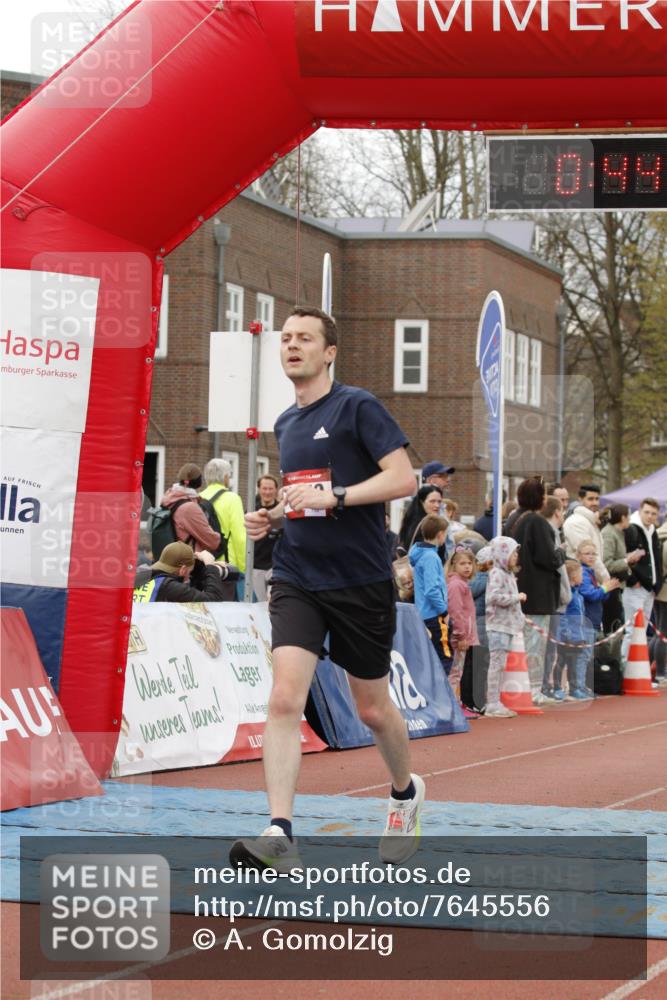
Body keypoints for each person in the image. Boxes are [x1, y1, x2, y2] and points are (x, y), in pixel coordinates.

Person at [230, 305, 421, 873]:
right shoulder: (285, 422)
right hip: (297, 576)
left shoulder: (357, 406)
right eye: (285, 339)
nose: (292, 346)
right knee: (285, 698)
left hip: (360, 579)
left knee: (373, 710)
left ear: (329, 351)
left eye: (304, 338)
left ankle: (405, 793)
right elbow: (302, 500)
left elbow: (403, 478)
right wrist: (273, 519)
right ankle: (280, 832)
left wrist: (335, 496)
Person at [507, 477, 564, 703]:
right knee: (534, 643)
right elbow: (547, 557)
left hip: (517, 588)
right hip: (537, 592)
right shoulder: (537, 522)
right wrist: (561, 552)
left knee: (519, 642)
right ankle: (532, 689)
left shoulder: (512, 519)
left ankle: (517, 686)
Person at [484, 537, 526, 718]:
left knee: (500, 665)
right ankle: (492, 702)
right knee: (496, 665)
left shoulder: (508, 575)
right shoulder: (497, 574)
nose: (516, 556)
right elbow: (493, 597)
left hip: (507, 626)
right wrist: (517, 598)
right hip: (498, 626)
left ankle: (495, 701)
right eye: (512, 553)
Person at [409, 513, 452, 675]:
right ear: (440, 535)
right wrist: (444, 611)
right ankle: (441, 698)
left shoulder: (419, 553)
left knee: (430, 658)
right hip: (435, 615)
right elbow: (432, 589)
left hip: (424, 613)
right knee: (444, 657)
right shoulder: (431, 557)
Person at [622, 498, 663, 661]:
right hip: (635, 587)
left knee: (642, 631)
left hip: (649, 588)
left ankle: (637, 671)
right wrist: (632, 580)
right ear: (639, 511)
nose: (650, 516)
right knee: (632, 630)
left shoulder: (653, 530)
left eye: (653, 513)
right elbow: (622, 557)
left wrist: (656, 583)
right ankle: (625, 668)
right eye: (647, 512)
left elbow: (656, 559)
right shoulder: (631, 529)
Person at [200, 458, 247, 588]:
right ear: (226, 477)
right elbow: (240, 537)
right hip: (227, 566)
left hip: (204, 563)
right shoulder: (232, 499)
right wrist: (244, 568)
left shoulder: (199, 497)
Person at [132, 542, 233, 603]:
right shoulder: (168, 587)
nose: (189, 576)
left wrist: (199, 563)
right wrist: (210, 566)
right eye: (189, 572)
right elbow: (212, 601)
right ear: (183, 570)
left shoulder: (140, 576)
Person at [446, 547, 480, 719]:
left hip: (464, 634)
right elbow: (456, 611)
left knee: (457, 671)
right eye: (462, 563)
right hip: (459, 636)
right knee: (455, 671)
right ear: (453, 566)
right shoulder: (456, 585)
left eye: (469, 563)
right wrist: (460, 635)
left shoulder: (462, 584)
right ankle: (452, 705)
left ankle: (455, 702)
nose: (467, 567)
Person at [158, 462, 221, 553]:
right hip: (187, 561)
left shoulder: (169, 498)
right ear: (198, 482)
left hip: (171, 557)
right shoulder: (189, 508)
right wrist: (217, 535)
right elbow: (212, 542)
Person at [555, 560, 595, 700]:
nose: (582, 577)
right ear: (572, 576)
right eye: (580, 574)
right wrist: (565, 633)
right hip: (567, 636)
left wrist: (582, 634)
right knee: (561, 662)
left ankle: (574, 689)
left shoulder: (578, 595)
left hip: (578, 636)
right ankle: (557, 688)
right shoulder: (568, 596)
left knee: (573, 663)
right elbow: (564, 616)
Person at [600, 504, 643, 637]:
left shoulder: (618, 532)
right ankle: (610, 656)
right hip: (611, 587)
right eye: (628, 516)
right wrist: (627, 560)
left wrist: (630, 560)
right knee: (613, 626)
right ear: (623, 517)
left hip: (618, 586)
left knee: (618, 625)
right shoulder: (609, 533)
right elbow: (606, 563)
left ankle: (614, 656)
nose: (630, 519)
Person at [563, 486, 609, 583]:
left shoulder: (591, 521)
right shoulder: (577, 522)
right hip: (582, 582)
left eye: (597, 499)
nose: (595, 503)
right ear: (580, 499)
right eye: (590, 499)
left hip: (591, 580)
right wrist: (606, 580)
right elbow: (589, 556)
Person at [397, 484, 445, 560]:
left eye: (439, 502)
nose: (437, 505)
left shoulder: (412, 520)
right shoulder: (426, 525)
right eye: (432, 501)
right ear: (422, 502)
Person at [252, 473, 281, 601]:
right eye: (264, 488)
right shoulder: (252, 509)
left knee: (273, 601)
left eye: (270, 489)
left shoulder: (281, 510)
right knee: (261, 603)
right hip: (256, 565)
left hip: (276, 565)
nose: (267, 492)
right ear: (259, 489)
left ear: (276, 490)